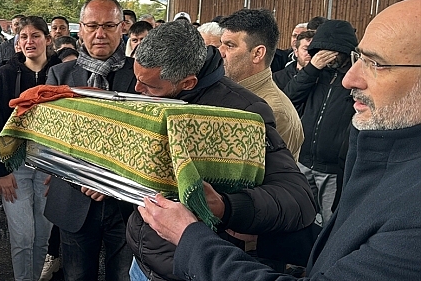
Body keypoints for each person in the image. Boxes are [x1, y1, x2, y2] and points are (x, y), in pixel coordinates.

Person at [138, 0, 421, 281]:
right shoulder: (386, 152)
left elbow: (295, 202)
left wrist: (191, 238)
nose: (350, 78)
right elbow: (342, 246)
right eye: (357, 58)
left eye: (377, 64)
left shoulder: (253, 110)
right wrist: (253, 229)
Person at [127, 19, 316, 280]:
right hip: (141, 259)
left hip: (189, 269)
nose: (137, 90)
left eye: (149, 86)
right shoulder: (151, 86)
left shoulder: (242, 113)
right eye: (138, 79)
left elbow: (298, 200)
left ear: (189, 83)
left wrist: (226, 207)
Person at [45, 0, 137, 281]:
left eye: (109, 25)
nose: (100, 34)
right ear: (80, 29)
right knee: (76, 276)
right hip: (74, 198)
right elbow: (49, 139)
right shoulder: (59, 75)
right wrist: (87, 177)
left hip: (126, 203)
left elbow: (146, 140)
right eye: (93, 26)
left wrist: (107, 179)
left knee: (123, 276)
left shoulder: (140, 76)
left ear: (122, 28)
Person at [0, 16, 60, 281]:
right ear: (17, 42)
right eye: (24, 37)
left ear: (48, 40)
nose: (30, 42)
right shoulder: (5, 74)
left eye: (36, 36)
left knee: (42, 235)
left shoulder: (61, 73)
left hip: (50, 167)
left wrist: (61, 170)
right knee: (22, 236)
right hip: (15, 167)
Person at [282, 20, 356, 226]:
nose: (327, 56)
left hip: (331, 168)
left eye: (333, 51)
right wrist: (312, 69)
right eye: (321, 50)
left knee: (329, 220)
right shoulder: (315, 74)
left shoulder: (353, 79)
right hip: (303, 160)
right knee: (299, 213)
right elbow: (289, 97)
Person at [218, 9, 304, 161]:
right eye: (221, 44)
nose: (220, 52)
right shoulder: (223, 91)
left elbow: (277, 177)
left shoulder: (275, 112)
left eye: (230, 45)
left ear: (257, 54)